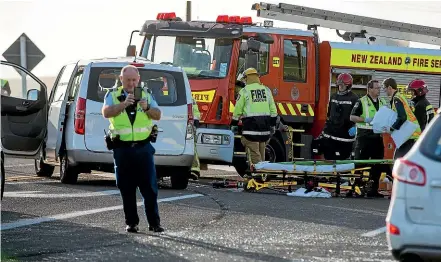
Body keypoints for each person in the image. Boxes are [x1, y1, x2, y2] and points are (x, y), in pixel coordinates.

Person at [102, 65, 164, 233]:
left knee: (149, 187)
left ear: (139, 80)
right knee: (126, 187)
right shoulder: (113, 95)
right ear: (121, 80)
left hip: (143, 148)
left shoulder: (146, 94)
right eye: (128, 80)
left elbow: (158, 115)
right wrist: (123, 105)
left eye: (134, 80)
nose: (131, 83)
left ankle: (154, 223)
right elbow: (106, 113)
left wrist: (147, 108)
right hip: (122, 149)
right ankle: (131, 223)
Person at [231, 68, 277, 165]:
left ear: (248, 78)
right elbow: (273, 111)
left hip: (250, 129)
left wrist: (234, 124)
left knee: (254, 153)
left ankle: (258, 174)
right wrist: (272, 126)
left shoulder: (245, 91)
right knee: (261, 151)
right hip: (264, 130)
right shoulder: (266, 90)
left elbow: (237, 110)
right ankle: (263, 173)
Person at [350, 80, 387, 197]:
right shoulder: (362, 101)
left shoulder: (382, 102)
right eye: (376, 88)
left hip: (377, 137)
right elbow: (352, 117)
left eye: (380, 88)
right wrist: (365, 119)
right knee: (360, 163)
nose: (379, 90)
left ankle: (373, 189)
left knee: (377, 163)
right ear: (370, 89)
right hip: (364, 137)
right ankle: (357, 188)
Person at [321, 73, 359, 160]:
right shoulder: (334, 96)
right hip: (331, 135)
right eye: (339, 85)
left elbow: (358, 116)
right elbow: (329, 114)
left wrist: (355, 127)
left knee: (342, 161)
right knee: (329, 159)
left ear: (348, 85)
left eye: (343, 85)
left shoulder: (354, 98)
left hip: (345, 137)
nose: (340, 87)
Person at [382, 77, 421, 159]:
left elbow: (402, 117)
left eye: (384, 88)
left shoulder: (396, 98)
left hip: (410, 135)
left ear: (389, 87)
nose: (384, 90)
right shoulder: (399, 96)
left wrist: (392, 128)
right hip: (410, 134)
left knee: (398, 160)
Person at [191, 97, 201, 180]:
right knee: (192, 146)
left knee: (191, 146)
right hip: (191, 124)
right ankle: (195, 169)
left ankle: (194, 169)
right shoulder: (189, 96)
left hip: (188, 124)